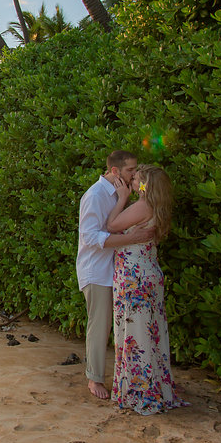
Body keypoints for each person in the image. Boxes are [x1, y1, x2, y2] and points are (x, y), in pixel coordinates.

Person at [106, 164, 187, 414]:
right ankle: (154, 388)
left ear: (145, 186)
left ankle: (139, 391)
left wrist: (121, 199)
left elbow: (112, 226)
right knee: (150, 331)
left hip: (134, 277)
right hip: (148, 272)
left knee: (135, 334)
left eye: (136, 180)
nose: (131, 183)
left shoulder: (142, 205)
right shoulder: (158, 208)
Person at [76, 150, 155, 400]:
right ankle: (94, 378)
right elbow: (89, 236)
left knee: (120, 327)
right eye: (130, 170)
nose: (134, 175)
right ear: (114, 171)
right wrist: (127, 239)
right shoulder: (96, 195)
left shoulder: (120, 194)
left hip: (115, 270)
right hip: (96, 270)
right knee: (99, 326)